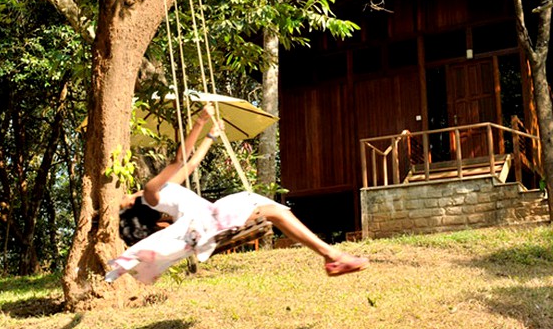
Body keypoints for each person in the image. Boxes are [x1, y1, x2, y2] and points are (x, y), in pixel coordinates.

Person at [106, 103, 369, 285]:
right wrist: (198, 123)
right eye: (123, 201)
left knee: (277, 213)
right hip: (207, 220)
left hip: (209, 217)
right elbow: (180, 159)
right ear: (133, 207)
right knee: (276, 212)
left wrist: (210, 134)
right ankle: (332, 258)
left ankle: (332, 258)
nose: (125, 195)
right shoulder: (152, 193)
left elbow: (192, 163)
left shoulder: (161, 193)